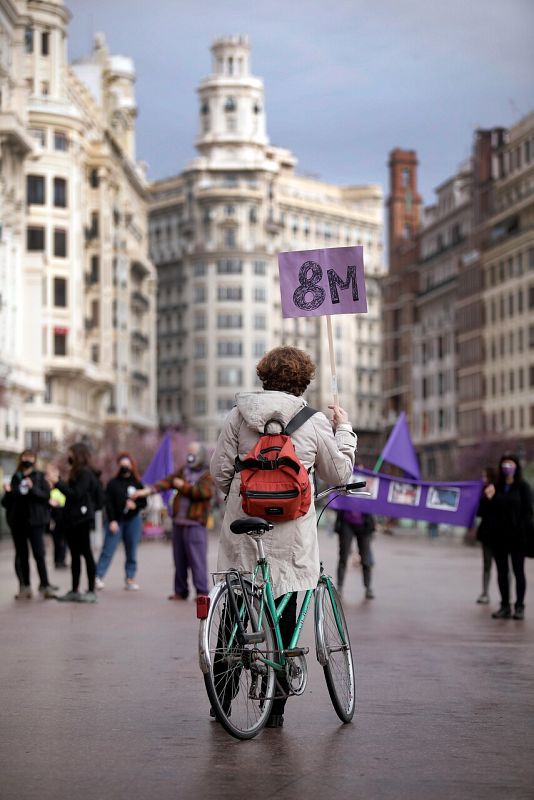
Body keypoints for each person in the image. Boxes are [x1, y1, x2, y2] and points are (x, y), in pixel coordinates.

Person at [210, 346, 357, 728]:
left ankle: (221, 700)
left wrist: (240, 497)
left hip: (244, 525)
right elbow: (339, 472)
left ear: (264, 376)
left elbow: (220, 472)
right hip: (292, 529)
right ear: (303, 381)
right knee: (288, 597)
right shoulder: (312, 421)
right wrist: (344, 429)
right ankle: (275, 708)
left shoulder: (237, 416)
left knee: (236, 604)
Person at [135, 442, 213, 601]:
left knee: (197, 560)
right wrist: (148, 491)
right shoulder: (183, 471)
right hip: (179, 522)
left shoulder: (207, 475)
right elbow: (167, 482)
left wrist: (183, 486)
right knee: (179, 559)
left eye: (193, 454)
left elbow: (203, 493)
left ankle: (202, 592)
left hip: (195, 524)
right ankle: (181, 591)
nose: (190, 457)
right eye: (188, 453)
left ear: (201, 455)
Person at [48, 442, 102, 604]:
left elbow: (76, 494)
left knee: (86, 553)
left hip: (82, 520)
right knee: (75, 555)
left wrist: (58, 483)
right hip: (72, 519)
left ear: (77, 455)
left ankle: (91, 590)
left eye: (71, 453)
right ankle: (75, 589)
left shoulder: (85, 474)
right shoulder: (76, 472)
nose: (68, 457)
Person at [1, 450, 57, 599]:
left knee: (39, 554)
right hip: (18, 522)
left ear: (35, 460)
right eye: (25, 457)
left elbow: (46, 497)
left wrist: (32, 488)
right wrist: (8, 492)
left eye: (30, 457)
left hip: (36, 522)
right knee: (22, 555)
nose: (27, 460)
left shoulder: (39, 477)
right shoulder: (16, 477)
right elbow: (7, 502)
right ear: (21, 459)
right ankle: (25, 586)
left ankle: (44, 585)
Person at [484, 454, 533, 620]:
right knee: (502, 572)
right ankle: (505, 605)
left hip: (518, 538)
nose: (507, 467)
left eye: (510, 464)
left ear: (516, 467)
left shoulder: (523, 487)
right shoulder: (495, 487)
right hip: (499, 537)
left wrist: (523, 531)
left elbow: (528, 512)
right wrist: (488, 498)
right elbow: (485, 511)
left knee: (519, 572)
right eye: (504, 464)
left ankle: (519, 606)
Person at [95, 453, 147, 591]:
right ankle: (97, 576)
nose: (125, 468)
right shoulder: (113, 483)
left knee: (131, 551)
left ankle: (130, 578)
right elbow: (109, 503)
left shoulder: (137, 483)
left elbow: (143, 501)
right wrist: (112, 520)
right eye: (122, 465)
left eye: (127, 465)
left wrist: (135, 506)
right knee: (108, 550)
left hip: (133, 521)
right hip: (116, 521)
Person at [334, 505, 375, 599]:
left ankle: (368, 588)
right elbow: (336, 502)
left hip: (365, 524)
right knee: (343, 557)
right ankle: (339, 587)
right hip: (346, 523)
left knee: (365, 559)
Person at [475, 466, 497, 605]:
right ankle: (485, 592)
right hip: (487, 534)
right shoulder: (483, 493)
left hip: (501, 535)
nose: (484, 479)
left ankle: (506, 596)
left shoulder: (500, 491)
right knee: (487, 564)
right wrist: (485, 499)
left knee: (504, 566)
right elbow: (480, 512)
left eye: (486, 476)